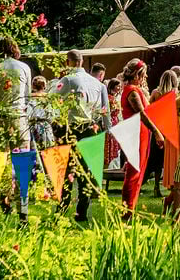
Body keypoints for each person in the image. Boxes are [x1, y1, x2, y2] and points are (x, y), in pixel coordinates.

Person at [51, 49, 111, 223]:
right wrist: (107, 131)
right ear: (82, 61)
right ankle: (82, 212)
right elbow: (105, 110)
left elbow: (52, 99)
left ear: (67, 62)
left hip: (71, 128)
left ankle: (62, 208)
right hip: (91, 128)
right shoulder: (98, 84)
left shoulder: (67, 80)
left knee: (66, 170)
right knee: (86, 171)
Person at [119, 58, 165, 219]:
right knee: (133, 173)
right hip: (136, 133)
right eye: (143, 74)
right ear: (136, 75)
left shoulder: (135, 90)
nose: (145, 77)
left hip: (141, 133)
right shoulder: (131, 91)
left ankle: (130, 208)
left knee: (138, 172)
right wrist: (157, 131)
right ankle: (127, 211)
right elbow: (141, 114)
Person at [155, 70, 180, 215]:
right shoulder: (177, 95)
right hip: (175, 129)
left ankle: (170, 199)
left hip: (167, 130)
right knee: (177, 164)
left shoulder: (157, 93)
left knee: (173, 164)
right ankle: (171, 201)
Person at [28, 76, 56, 149]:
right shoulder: (49, 98)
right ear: (44, 86)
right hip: (46, 126)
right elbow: (53, 115)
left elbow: (28, 114)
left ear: (33, 86)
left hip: (33, 127)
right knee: (48, 150)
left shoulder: (29, 98)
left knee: (35, 150)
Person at [105, 78, 123, 167]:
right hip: (111, 122)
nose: (119, 88)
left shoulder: (117, 98)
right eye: (118, 86)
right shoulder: (108, 98)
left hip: (116, 122)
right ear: (113, 86)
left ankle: (113, 164)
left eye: (120, 86)